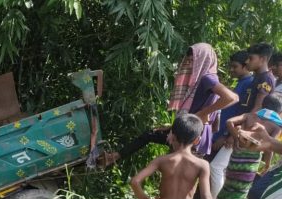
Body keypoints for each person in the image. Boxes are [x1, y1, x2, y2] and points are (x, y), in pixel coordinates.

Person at [101, 43, 239, 166]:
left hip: (193, 134)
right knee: (151, 135)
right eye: (189, 61)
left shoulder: (207, 78)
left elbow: (231, 98)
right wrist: (172, 127)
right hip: (189, 130)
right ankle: (114, 157)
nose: (190, 65)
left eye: (194, 61)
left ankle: (114, 157)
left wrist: (201, 114)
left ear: (204, 60)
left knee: (178, 174)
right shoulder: (202, 79)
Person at [214, 94, 282, 199]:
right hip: (250, 163)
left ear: (263, 105)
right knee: (240, 194)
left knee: (227, 188)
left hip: (236, 156)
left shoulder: (249, 115)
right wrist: (267, 165)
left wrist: (236, 136)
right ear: (279, 110)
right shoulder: (276, 125)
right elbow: (269, 147)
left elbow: (229, 122)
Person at [210, 50, 255, 199]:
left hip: (230, 134)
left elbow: (245, 112)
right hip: (224, 131)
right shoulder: (242, 83)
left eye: (235, 67)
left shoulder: (249, 84)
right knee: (219, 169)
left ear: (245, 66)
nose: (231, 70)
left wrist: (229, 136)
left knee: (216, 168)